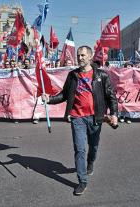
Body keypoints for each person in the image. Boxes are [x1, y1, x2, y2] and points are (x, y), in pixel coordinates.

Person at [42, 46, 118, 196]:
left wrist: (114, 113)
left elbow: (111, 96)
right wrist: (49, 99)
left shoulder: (101, 75)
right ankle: (82, 181)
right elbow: (63, 95)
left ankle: (90, 163)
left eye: (83, 55)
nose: (80, 58)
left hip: (96, 117)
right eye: (78, 55)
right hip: (77, 118)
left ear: (90, 57)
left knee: (93, 147)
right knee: (79, 149)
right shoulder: (72, 76)